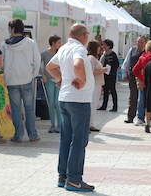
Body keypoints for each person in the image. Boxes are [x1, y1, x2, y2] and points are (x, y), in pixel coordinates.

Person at [46, 23, 95, 192]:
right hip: (79, 100)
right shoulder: (79, 49)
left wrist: (62, 78)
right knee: (79, 140)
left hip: (65, 99)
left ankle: (63, 175)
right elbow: (78, 65)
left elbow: (50, 67)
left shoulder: (64, 48)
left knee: (66, 138)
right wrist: (81, 80)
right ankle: (74, 179)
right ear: (83, 35)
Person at [3, 19, 40, 142]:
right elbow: (37, 60)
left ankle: (18, 135)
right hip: (27, 79)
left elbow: (1, 62)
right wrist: (32, 75)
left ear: (13, 30)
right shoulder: (31, 43)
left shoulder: (5, 45)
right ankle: (32, 134)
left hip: (11, 81)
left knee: (16, 110)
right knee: (29, 109)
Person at [132, 40, 151, 133]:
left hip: (144, 83)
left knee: (142, 100)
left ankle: (140, 118)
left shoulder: (142, 57)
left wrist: (142, 77)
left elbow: (135, 70)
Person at [121, 36, 146, 123]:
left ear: (145, 43)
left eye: (141, 42)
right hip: (133, 76)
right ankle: (130, 116)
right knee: (133, 97)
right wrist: (124, 74)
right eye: (138, 41)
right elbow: (126, 63)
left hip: (143, 78)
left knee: (143, 98)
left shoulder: (147, 52)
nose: (139, 44)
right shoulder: (132, 50)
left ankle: (142, 117)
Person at [41, 35, 62, 133]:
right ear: (53, 43)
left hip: (59, 80)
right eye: (58, 42)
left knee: (57, 103)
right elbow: (39, 64)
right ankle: (53, 124)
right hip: (49, 80)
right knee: (51, 102)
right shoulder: (44, 53)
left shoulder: (60, 53)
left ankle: (60, 124)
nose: (60, 44)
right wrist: (42, 75)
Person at [87, 41, 108, 132]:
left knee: (94, 104)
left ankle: (91, 123)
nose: (100, 49)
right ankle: (89, 123)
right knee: (92, 103)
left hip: (97, 84)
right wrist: (102, 70)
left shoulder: (94, 58)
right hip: (94, 84)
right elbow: (90, 72)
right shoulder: (91, 58)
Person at [97, 39, 119, 112]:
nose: (103, 46)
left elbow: (114, 65)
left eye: (104, 45)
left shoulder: (112, 54)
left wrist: (108, 70)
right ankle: (104, 105)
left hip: (111, 76)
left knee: (112, 91)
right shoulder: (104, 54)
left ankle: (115, 106)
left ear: (109, 46)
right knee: (105, 90)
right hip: (104, 75)